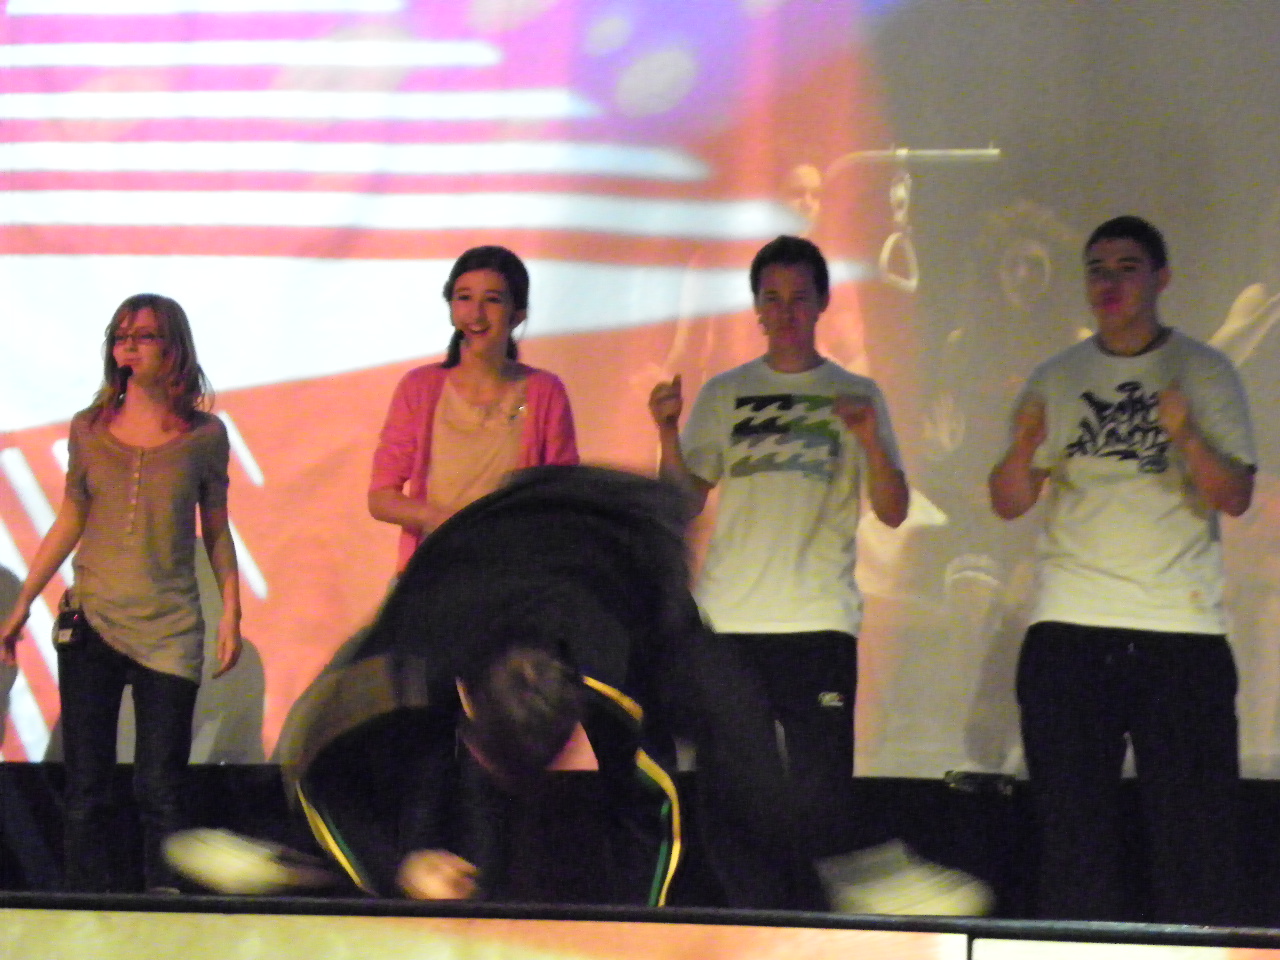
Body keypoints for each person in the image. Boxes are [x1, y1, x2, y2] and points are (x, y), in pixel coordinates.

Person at [168, 466, 828, 910]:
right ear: (464, 695)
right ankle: (295, 853)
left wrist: (644, 927)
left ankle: (802, 899)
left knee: (742, 737)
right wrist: (397, 867)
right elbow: (313, 757)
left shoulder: (620, 666)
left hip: (630, 543)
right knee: (394, 784)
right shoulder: (414, 644)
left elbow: (653, 807)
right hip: (483, 540)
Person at [989, 215, 1257, 924]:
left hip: (1180, 633)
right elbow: (1009, 501)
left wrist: (1186, 435)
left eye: (1126, 268)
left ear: (1160, 279)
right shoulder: (1057, 376)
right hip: (1070, 630)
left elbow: (1235, 495)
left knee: (1194, 846)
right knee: (1072, 845)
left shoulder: (1204, 370)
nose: (1109, 283)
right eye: (1097, 269)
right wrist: (1022, 445)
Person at [647, 235, 909, 859]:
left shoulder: (857, 395)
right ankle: (740, 912)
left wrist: (870, 441)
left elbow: (893, 510)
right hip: (729, 621)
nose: (785, 312)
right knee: (731, 796)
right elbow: (683, 502)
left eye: (798, 298)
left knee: (821, 796)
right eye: (772, 298)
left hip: (818, 620)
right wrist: (667, 433)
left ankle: (806, 909)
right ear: (757, 308)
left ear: (822, 303)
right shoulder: (725, 393)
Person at [0, 293, 243, 893]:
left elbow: (216, 529)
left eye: (145, 336)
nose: (129, 346)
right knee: (87, 787)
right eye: (121, 336)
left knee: (160, 787)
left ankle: (164, 908)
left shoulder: (205, 435)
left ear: (174, 348)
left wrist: (232, 612)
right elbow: (70, 516)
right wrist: (24, 600)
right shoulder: (89, 429)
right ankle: (88, 909)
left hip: (171, 627)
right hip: (93, 620)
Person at [368, 245, 578, 572]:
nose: (476, 314)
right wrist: (442, 519)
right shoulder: (419, 387)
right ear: (451, 307)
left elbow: (564, 497)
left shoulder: (545, 391)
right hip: (432, 570)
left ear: (517, 314)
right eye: (464, 297)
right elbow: (381, 498)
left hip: (513, 575)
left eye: (492, 300)